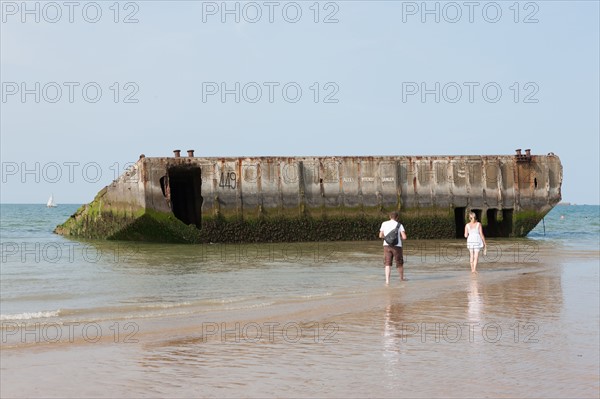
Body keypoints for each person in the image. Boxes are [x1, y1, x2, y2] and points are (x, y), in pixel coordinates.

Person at [379, 211, 407, 284]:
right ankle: (401, 279)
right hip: (397, 246)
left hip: (386, 246)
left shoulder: (384, 223)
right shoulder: (399, 225)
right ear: (397, 217)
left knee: (387, 264)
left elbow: (380, 235)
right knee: (399, 263)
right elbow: (404, 237)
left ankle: (387, 281)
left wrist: (388, 238)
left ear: (389, 217)